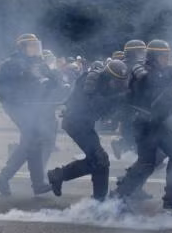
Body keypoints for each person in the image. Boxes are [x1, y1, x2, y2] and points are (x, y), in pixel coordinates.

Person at [111, 40, 172, 210]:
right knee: (146, 163)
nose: (166, 60)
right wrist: (168, 79)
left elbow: (169, 90)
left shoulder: (164, 72)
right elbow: (148, 84)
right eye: (163, 56)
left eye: (168, 56)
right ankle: (118, 197)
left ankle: (171, 198)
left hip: (159, 124)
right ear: (153, 57)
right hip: (144, 124)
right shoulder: (141, 71)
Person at [0, 33, 65, 196]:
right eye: (31, 46)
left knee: (34, 142)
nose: (35, 49)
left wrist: (54, 79)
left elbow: (53, 82)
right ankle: (11, 178)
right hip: (17, 106)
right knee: (32, 139)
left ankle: (20, 180)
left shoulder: (39, 63)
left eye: (36, 45)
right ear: (22, 48)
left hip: (34, 106)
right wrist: (16, 96)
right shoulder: (12, 64)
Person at [47, 59, 129, 201]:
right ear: (108, 77)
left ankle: (59, 175)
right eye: (116, 82)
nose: (117, 86)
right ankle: (99, 200)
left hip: (85, 124)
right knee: (100, 159)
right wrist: (120, 98)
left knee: (97, 161)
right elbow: (95, 103)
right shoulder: (92, 80)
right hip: (75, 123)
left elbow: (108, 110)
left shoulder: (109, 86)